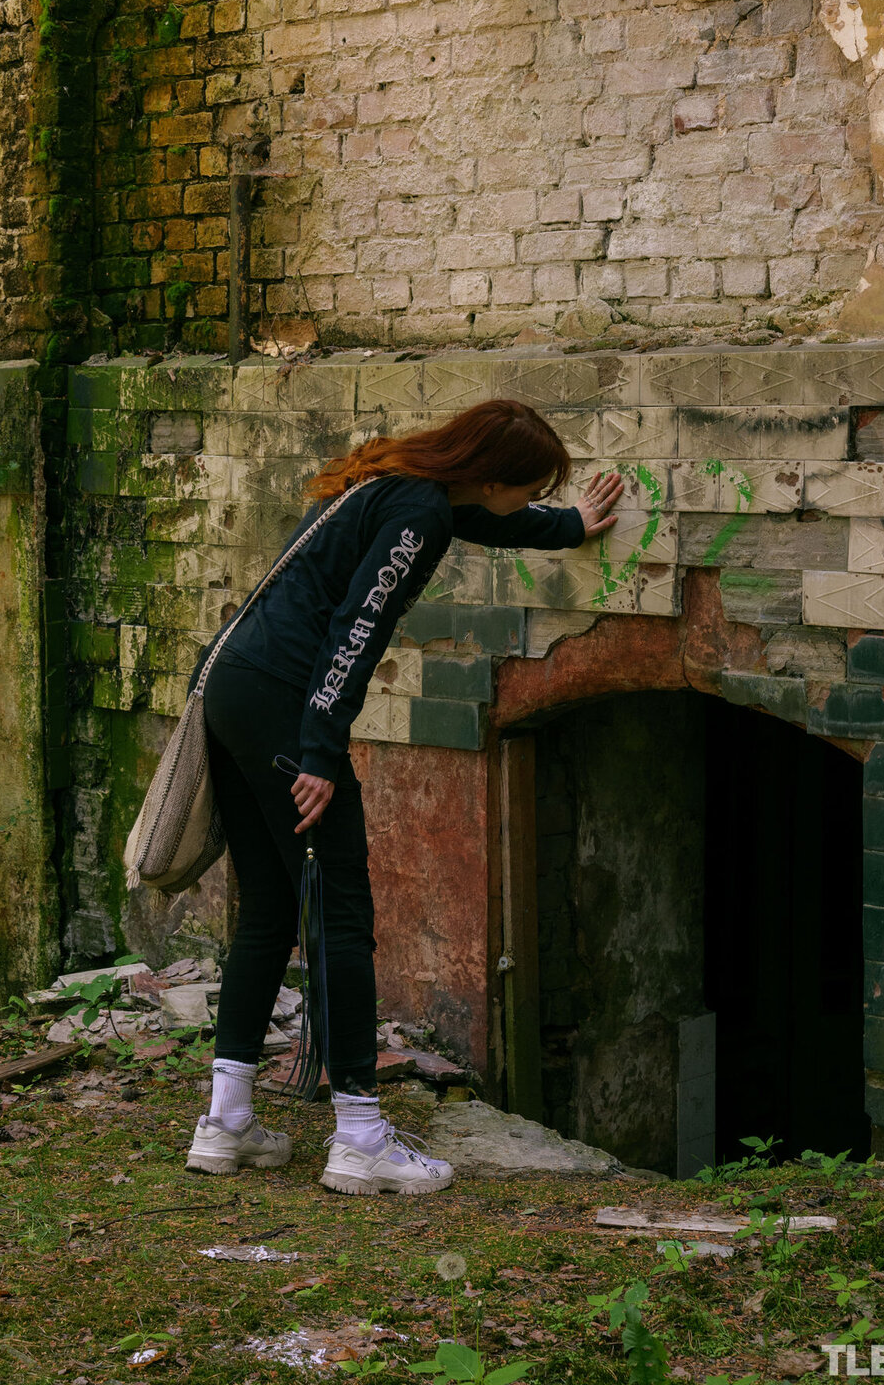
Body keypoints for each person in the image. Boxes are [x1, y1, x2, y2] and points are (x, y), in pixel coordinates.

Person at [184, 397, 623, 1194]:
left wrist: (565, 526)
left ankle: (226, 1122)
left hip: (231, 684)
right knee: (340, 915)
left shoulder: (397, 480)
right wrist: (321, 749)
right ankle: (359, 1138)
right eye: (530, 489)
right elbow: (359, 625)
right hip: (284, 704)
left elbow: (481, 519)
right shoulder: (420, 511)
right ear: (491, 476)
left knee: (271, 910)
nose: (529, 501)